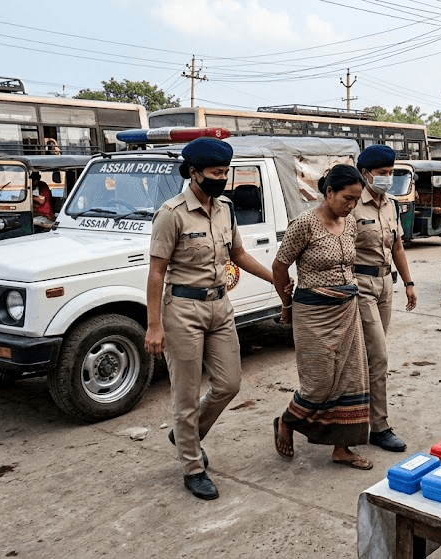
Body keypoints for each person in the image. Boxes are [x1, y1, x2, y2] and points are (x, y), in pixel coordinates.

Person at [145, 137, 275, 500]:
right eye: (216, 173)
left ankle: (186, 432)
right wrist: (154, 325)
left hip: (220, 307)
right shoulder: (172, 214)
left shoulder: (225, 209)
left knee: (229, 384)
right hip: (182, 311)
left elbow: (239, 254)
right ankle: (192, 466)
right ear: (193, 172)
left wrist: (275, 278)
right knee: (184, 395)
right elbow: (157, 273)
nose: (222, 178)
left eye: (225, 173)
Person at [271, 164, 374, 471]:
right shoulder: (305, 223)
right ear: (329, 192)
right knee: (319, 381)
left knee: (350, 379)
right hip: (313, 312)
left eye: (356, 199)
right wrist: (286, 304)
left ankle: (342, 448)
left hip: (347, 309)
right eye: (347, 197)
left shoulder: (350, 222)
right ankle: (287, 421)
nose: (351, 205)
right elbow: (279, 266)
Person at [351, 145, 417, 453]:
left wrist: (409, 283)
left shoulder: (391, 205)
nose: (387, 179)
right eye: (382, 174)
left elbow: (398, 247)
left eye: (391, 174)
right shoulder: (352, 205)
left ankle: (358, 416)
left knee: (371, 358)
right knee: (377, 356)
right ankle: (378, 426)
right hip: (359, 285)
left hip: (384, 284)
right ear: (365, 174)